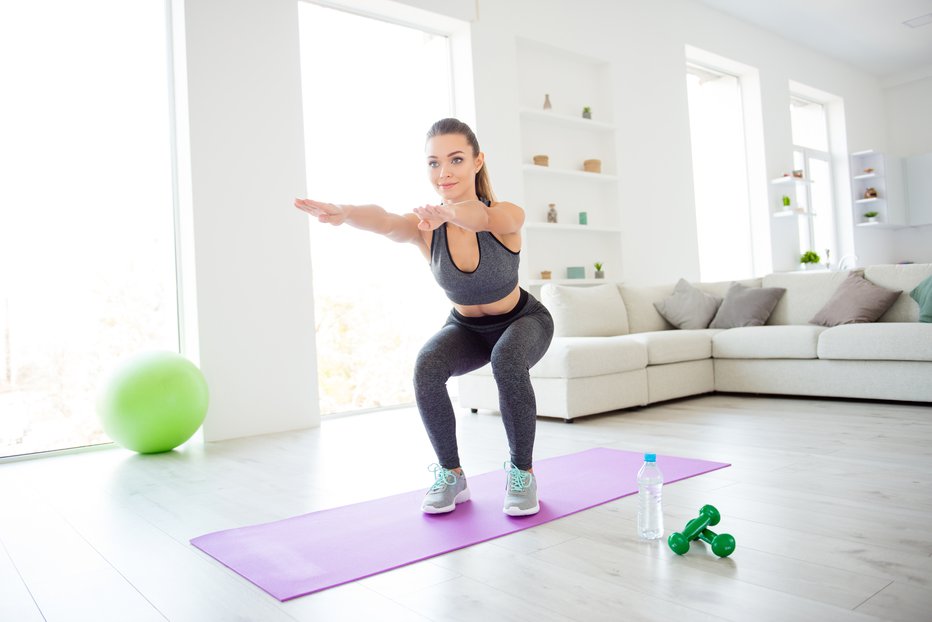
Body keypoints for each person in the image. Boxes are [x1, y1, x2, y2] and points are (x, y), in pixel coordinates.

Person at [294, 118, 554, 516]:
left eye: (455, 160)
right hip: (466, 328)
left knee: (507, 360)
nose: (443, 172)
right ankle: (451, 475)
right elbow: (383, 220)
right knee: (427, 366)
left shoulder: (505, 214)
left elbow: (481, 219)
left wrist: (450, 214)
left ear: (477, 161)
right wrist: (344, 212)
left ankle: (522, 474)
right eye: (434, 163)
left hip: (523, 321)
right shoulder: (425, 227)